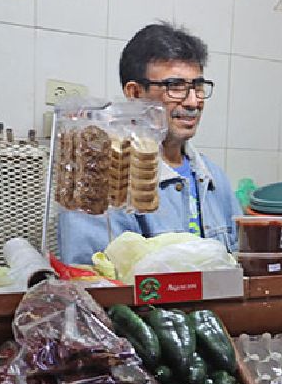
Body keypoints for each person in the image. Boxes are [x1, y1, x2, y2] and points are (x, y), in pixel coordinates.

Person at [58, 23, 242, 265]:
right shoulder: (100, 180)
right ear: (134, 93)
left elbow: (241, 264)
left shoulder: (213, 179)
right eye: (175, 87)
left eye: (197, 86)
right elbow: (93, 282)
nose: (193, 101)